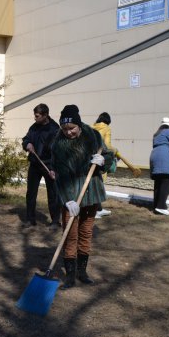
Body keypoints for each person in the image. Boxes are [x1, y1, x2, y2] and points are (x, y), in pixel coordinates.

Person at [50, 105, 113, 288]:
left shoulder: (93, 136)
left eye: (72, 128)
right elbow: (59, 175)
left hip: (91, 191)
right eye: (64, 129)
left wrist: (103, 161)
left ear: (78, 124)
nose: (68, 132)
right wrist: (67, 199)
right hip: (71, 196)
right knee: (70, 235)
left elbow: (109, 155)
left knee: (85, 233)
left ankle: (82, 272)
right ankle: (70, 276)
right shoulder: (58, 145)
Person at [21, 103, 61, 228]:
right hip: (35, 164)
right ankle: (30, 219)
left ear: (45, 115)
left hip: (49, 165)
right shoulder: (34, 127)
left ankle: (55, 221)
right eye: (35, 115)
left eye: (37, 116)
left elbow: (58, 150)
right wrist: (27, 144)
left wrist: (54, 168)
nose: (35, 118)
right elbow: (26, 139)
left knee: (53, 194)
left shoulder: (55, 129)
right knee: (31, 193)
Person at [91, 112, 121, 218]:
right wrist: (116, 151)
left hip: (90, 158)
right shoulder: (107, 128)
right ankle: (95, 210)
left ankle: (98, 209)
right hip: (100, 159)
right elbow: (107, 145)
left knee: (93, 184)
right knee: (98, 184)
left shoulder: (92, 127)